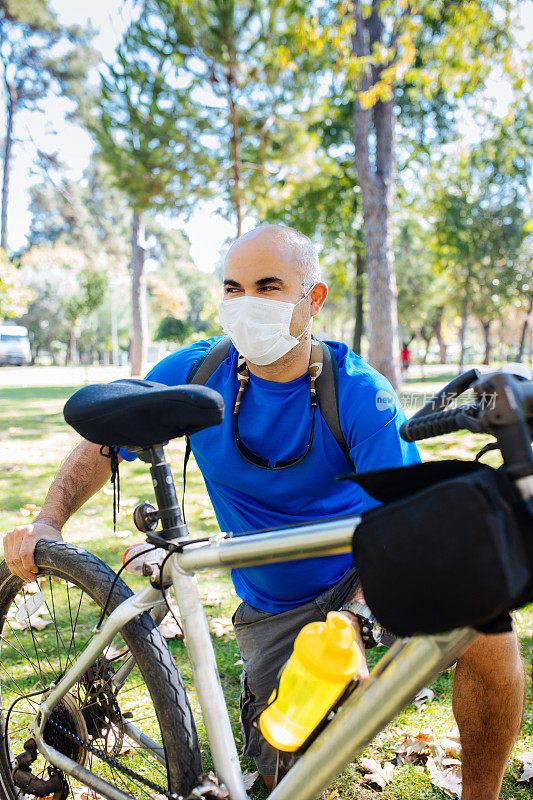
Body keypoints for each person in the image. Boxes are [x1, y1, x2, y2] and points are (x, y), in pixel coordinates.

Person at [3, 225, 524, 800]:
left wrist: (357, 618)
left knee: (485, 617)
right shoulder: (197, 370)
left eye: (268, 286)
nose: (246, 303)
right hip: (276, 610)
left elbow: (409, 522)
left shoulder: (357, 393)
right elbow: (103, 447)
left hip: (366, 575)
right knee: (286, 781)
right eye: (233, 288)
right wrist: (49, 522)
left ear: (314, 299)